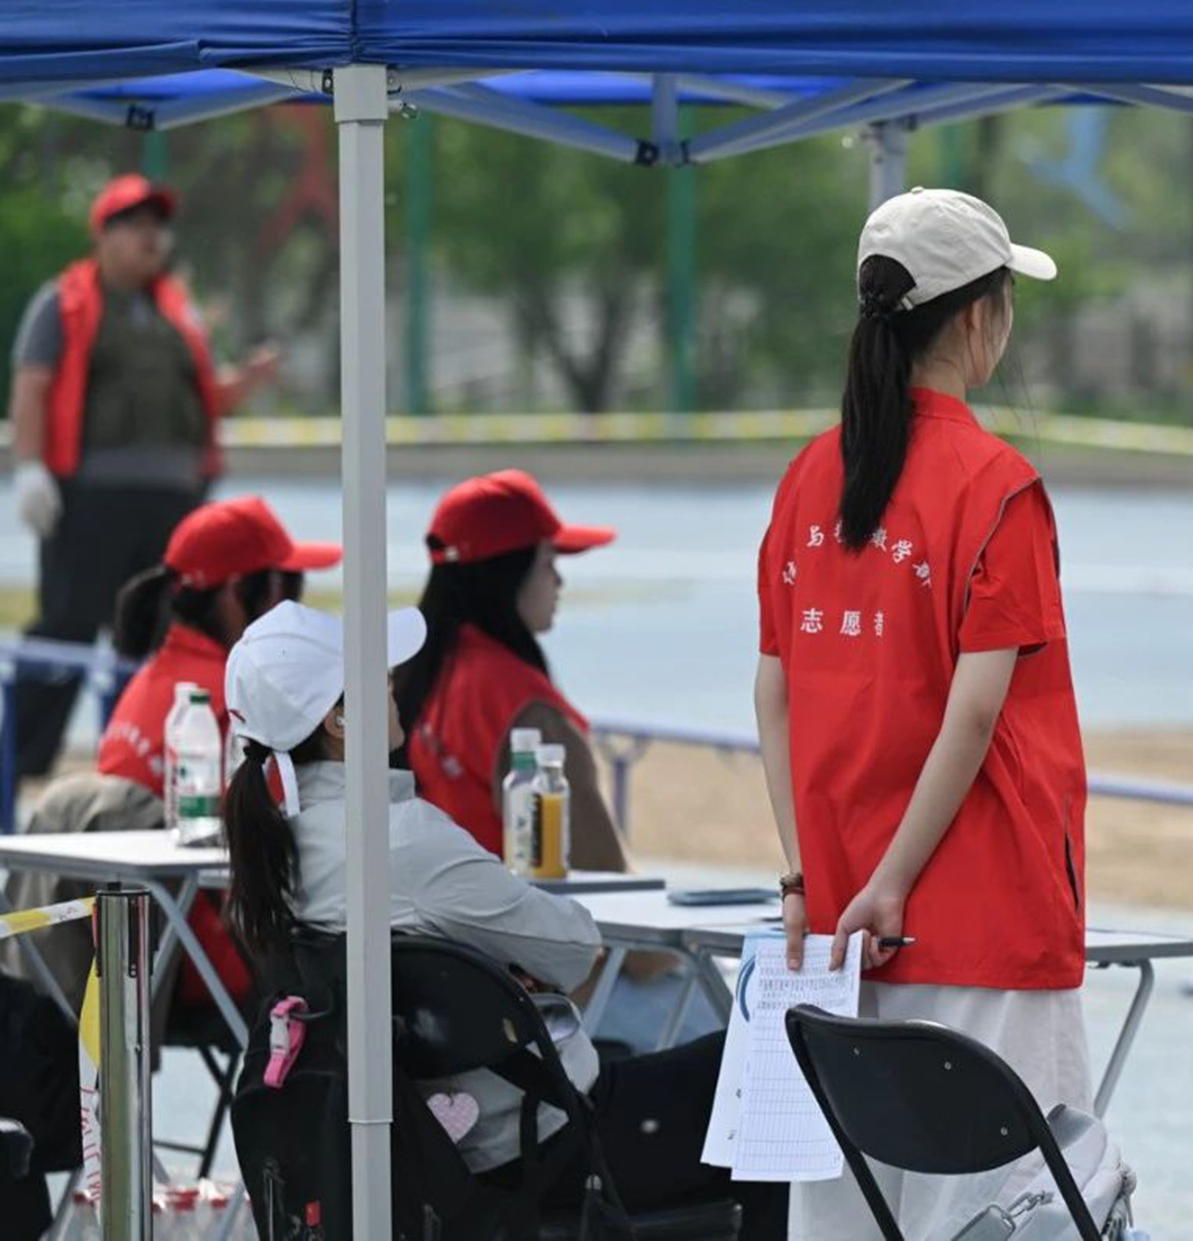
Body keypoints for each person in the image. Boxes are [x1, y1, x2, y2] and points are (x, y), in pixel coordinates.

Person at [219, 602, 784, 1234]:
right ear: (338, 719)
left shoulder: (276, 849)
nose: (393, 682)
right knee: (774, 1075)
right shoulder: (399, 840)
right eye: (376, 675)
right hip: (537, 1147)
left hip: (423, 1144)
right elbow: (573, 949)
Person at [753, 188, 1090, 1237]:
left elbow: (774, 691)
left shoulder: (809, 477)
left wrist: (809, 875)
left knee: (843, 1218)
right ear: (980, 316)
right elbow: (973, 711)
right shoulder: (997, 486)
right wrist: (895, 881)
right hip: (979, 920)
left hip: (837, 929)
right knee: (994, 1218)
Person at [8, 174, 281, 778]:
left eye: (157, 225)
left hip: (173, 507)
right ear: (103, 235)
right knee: (67, 629)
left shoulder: (177, 311)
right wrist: (28, 468)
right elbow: (32, 384)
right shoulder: (64, 302)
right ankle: (18, 765)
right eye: (134, 225)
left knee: (167, 634)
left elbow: (205, 394)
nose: (150, 236)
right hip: (89, 502)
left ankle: (156, 758)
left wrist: (247, 381)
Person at [98, 494, 338, 1004]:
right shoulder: (239, 700)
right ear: (238, 592)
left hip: (134, 960)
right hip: (212, 969)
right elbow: (302, 838)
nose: (295, 607)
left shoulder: (147, 684)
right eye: (289, 586)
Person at [393, 470, 632, 871]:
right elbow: (599, 869)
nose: (559, 581)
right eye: (548, 561)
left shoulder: (412, 677)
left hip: (427, 903)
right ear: (508, 573)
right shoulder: (516, 700)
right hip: (500, 908)